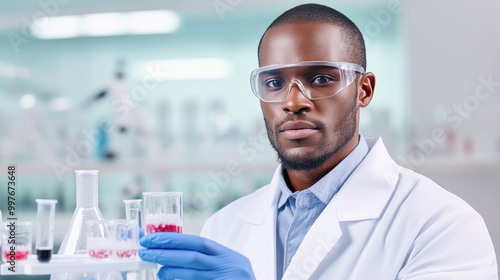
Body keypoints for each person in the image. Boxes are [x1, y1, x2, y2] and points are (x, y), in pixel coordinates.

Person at [138, 4, 498, 280]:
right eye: (274, 83)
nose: (294, 102)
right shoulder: (224, 227)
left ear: (364, 90)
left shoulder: (441, 225)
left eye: (322, 78)